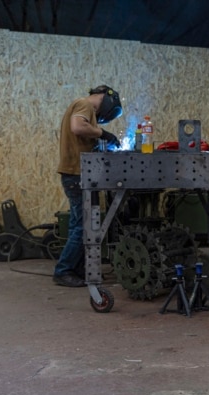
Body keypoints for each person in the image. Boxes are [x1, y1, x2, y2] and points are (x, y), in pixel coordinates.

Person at [52, 85, 122, 287]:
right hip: (76, 175)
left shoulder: (82, 107)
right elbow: (77, 127)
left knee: (79, 225)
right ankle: (64, 270)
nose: (100, 115)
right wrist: (103, 133)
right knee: (83, 227)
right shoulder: (85, 105)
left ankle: (78, 269)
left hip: (75, 174)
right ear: (105, 98)